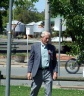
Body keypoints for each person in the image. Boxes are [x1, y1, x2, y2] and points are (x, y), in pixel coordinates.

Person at [27, 31, 58, 96]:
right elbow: (31, 60)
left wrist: (55, 72)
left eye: (48, 38)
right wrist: (29, 71)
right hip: (38, 72)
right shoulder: (34, 46)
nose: (47, 40)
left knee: (48, 92)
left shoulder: (52, 48)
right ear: (41, 37)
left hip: (48, 72)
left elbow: (54, 61)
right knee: (34, 91)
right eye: (46, 38)